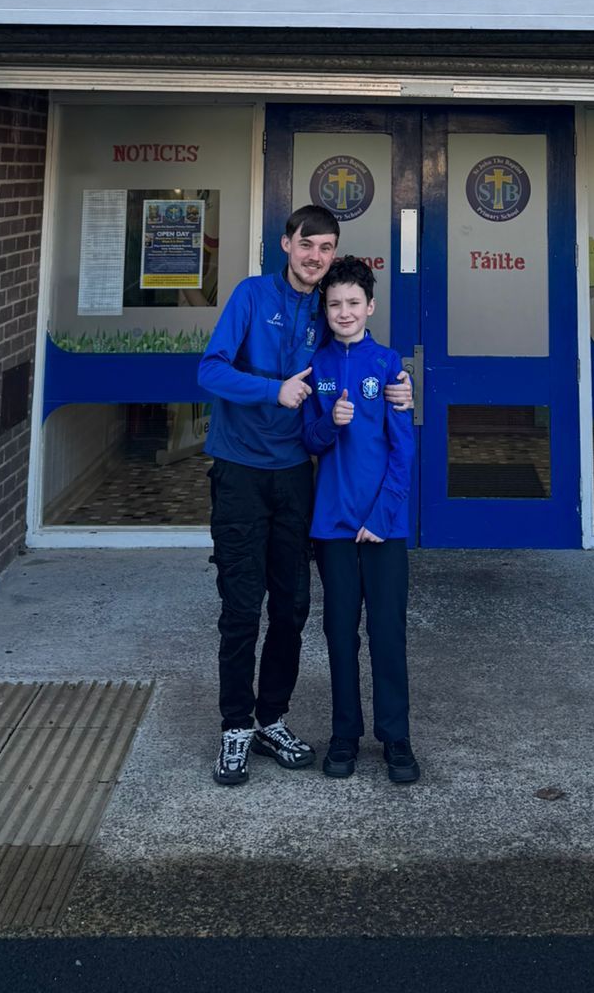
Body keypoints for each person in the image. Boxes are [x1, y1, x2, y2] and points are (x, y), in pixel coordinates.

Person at [196, 204, 411, 787]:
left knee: (290, 607)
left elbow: (356, 350)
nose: (315, 257)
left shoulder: (325, 308)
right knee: (242, 607)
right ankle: (236, 727)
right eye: (306, 244)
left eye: (326, 247)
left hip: (295, 476)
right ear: (286, 244)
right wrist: (274, 390)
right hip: (240, 471)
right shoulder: (249, 296)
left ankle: (273, 717)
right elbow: (209, 373)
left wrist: (399, 384)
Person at [300, 255, 419, 785]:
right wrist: (330, 422)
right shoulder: (316, 365)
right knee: (339, 634)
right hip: (332, 528)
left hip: (383, 528)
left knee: (388, 634)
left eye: (353, 303)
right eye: (334, 304)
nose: (344, 312)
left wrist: (384, 514)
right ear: (323, 311)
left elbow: (404, 450)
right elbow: (308, 440)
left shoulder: (390, 365)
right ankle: (344, 734)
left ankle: (397, 738)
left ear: (370, 307)